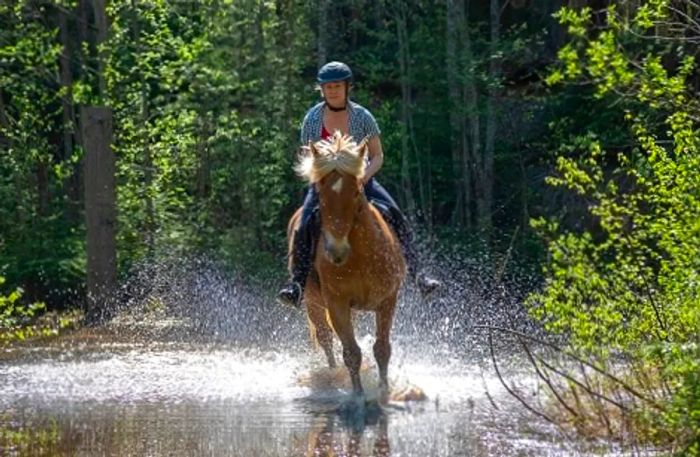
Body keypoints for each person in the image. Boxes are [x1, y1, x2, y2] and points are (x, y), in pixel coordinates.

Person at [277, 61, 440, 308]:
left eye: (337, 86)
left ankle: (419, 276)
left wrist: (363, 176)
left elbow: (377, 155)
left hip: (361, 181)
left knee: (395, 215)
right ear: (321, 89)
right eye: (328, 87)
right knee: (304, 223)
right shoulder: (312, 118)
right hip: (325, 186)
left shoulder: (363, 117)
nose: (332, 91)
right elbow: (309, 157)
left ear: (347, 87)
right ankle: (297, 283)